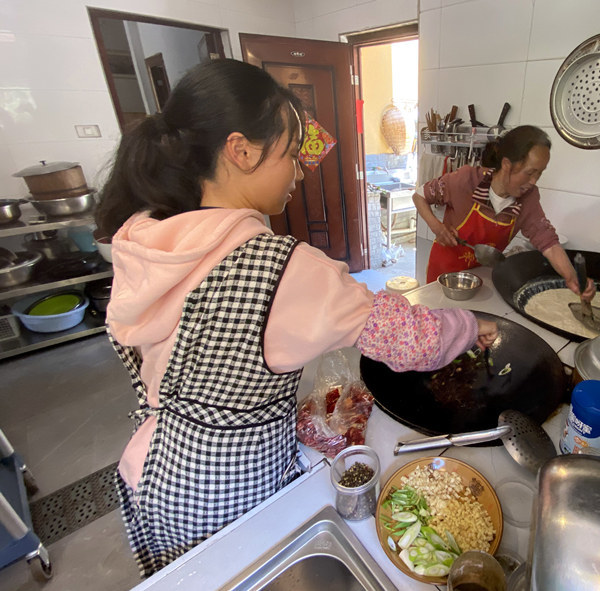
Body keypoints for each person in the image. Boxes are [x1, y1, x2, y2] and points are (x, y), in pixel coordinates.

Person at [95, 59, 498, 577]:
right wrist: (470, 327)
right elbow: (410, 339)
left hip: (155, 473)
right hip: (228, 496)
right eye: (291, 155)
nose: (302, 171)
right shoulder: (279, 269)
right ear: (240, 151)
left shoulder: (145, 238)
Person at [412, 125, 595, 300]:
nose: (533, 181)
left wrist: (572, 277)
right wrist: (437, 227)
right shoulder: (466, 181)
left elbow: (548, 241)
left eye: (539, 174)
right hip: (444, 276)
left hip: (482, 278)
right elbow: (419, 196)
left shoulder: (528, 199)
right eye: (530, 172)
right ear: (507, 164)